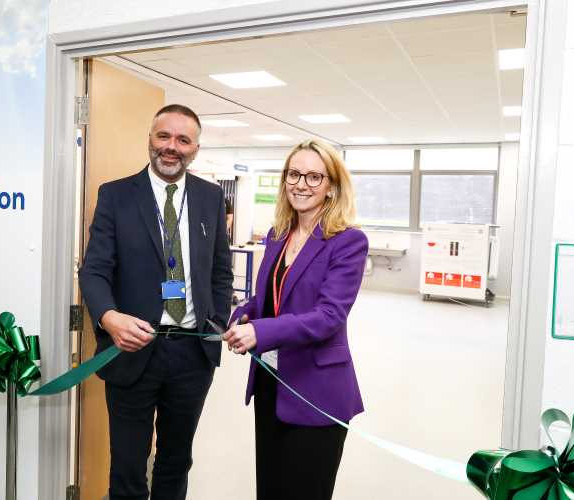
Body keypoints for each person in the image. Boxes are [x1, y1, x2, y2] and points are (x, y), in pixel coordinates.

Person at [79, 104, 233, 500]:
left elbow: (220, 271)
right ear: (149, 139)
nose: (171, 147)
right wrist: (110, 318)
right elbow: (94, 270)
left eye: (183, 140)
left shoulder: (211, 198)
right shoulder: (116, 196)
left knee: (176, 461)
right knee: (128, 465)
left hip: (192, 355)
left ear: (196, 148)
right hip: (132, 350)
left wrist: (215, 326)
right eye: (163, 136)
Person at [222, 139, 368, 500]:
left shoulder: (347, 242)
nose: (301, 184)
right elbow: (268, 299)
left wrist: (261, 331)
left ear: (332, 185)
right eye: (294, 174)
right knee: (270, 489)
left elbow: (329, 316)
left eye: (314, 176)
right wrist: (244, 315)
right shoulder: (278, 235)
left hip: (316, 388)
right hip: (271, 380)